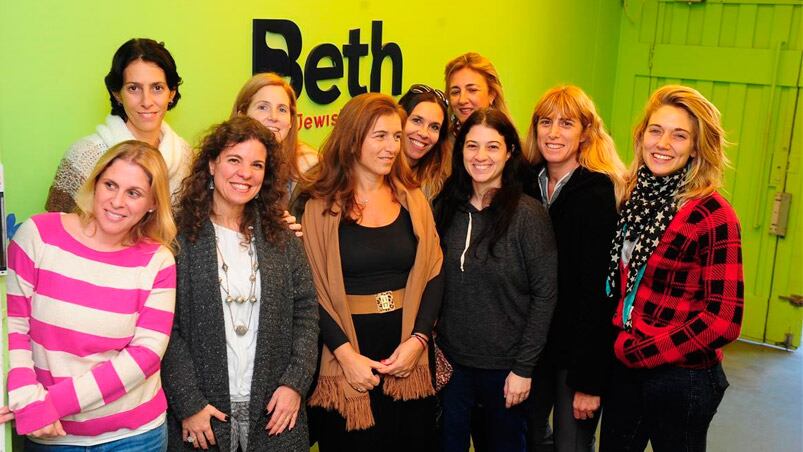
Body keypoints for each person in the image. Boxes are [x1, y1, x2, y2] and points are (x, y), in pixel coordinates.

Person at [6, 141, 177, 450]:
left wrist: (49, 406)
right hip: (51, 436)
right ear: (95, 183)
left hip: (134, 437)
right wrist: (25, 399)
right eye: (110, 185)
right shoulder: (38, 235)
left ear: (152, 203)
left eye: (133, 193)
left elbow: (146, 355)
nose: (116, 201)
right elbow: (13, 327)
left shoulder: (159, 260)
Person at [161, 117, 319, 451]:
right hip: (203, 416)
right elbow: (163, 326)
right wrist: (188, 403)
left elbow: (306, 312)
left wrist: (295, 384)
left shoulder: (282, 236)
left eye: (257, 164)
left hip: (275, 413)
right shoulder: (177, 236)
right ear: (212, 163)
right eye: (234, 160)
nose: (245, 173)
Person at [600, 85, 744, 452]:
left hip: (683, 377)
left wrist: (647, 351)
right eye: (656, 130)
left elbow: (724, 318)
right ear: (642, 135)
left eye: (679, 135)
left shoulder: (713, 215)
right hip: (627, 365)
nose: (663, 143)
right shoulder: (634, 197)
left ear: (696, 147)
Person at [301, 93, 443, 451]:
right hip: (346, 356)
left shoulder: (413, 199)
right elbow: (310, 291)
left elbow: (435, 273)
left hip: (406, 357)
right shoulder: (317, 206)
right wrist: (345, 356)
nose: (392, 147)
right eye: (380, 136)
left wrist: (418, 341)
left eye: (396, 136)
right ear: (352, 140)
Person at [434, 108, 557, 452]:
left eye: (492, 147)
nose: (481, 156)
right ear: (461, 152)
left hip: (505, 372)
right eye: (472, 146)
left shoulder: (527, 216)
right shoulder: (445, 208)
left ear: (509, 152)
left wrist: (523, 369)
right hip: (452, 366)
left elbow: (545, 296)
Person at [522, 86, 625, 452]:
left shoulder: (598, 194)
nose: (553, 133)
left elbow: (600, 295)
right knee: (527, 438)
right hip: (531, 348)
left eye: (566, 124)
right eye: (545, 122)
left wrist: (589, 381)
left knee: (572, 445)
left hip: (576, 355)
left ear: (585, 132)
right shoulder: (523, 184)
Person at [46, 38, 191, 212]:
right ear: (117, 94)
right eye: (133, 88)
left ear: (171, 93)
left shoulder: (186, 157)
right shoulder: (83, 157)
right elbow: (54, 230)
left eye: (157, 88)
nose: (147, 101)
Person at [230, 72, 318, 217]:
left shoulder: (310, 171)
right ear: (242, 115)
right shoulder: (220, 161)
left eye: (282, 109)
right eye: (263, 107)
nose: (273, 117)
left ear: (291, 121)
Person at [398, 84, 451, 201]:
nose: (424, 133)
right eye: (417, 121)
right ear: (399, 121)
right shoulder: (376, 175)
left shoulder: (442, 190)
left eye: (434, 127)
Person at [444, 52, 511, 136]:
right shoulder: (439, 145)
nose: (462, 100)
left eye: (472, 90)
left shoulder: (511, 144)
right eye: (455, 92)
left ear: (491, 95)